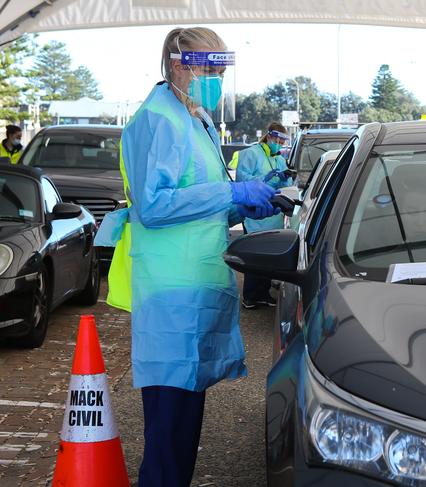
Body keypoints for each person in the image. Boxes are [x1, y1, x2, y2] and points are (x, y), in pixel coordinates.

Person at [95, 27, 278, 487]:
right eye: (210, 67)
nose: (216, 80)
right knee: (168, 434)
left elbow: (197, 199)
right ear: (180, 64)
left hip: (193, 283)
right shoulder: (157, 120)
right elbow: (154, 207)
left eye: (221, 69)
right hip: (169, 292)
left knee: (182, 429)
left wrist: (243, 202)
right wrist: (230, 190)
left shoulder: (195, 120)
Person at [236, 122, 293, 309]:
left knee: (268, 257)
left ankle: (263, 293)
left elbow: (287, 187)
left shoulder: (280, 160)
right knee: (254, 255)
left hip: (272, 214)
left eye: (283, 140)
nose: (279, 142)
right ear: (268, 135)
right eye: (277, 138)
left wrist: (287, 178)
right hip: (255, 213)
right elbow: (241, 180)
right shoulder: (250, 154)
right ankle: (250, 296)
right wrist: (263, 179)